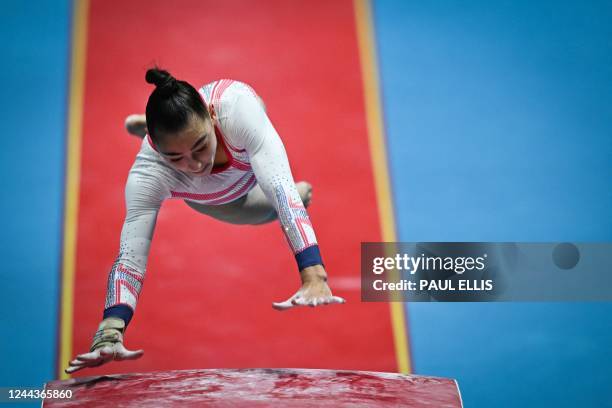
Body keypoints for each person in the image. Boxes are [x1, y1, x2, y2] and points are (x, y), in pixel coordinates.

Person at [65, 68, 345, 374]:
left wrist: (314, 275)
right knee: (269, 206)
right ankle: (158, 130)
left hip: (240, 141)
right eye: (177, 157)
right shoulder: (149, 171)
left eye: (200, 145)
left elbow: (281, 190)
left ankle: (161, 126)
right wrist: (110, 330)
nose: (196, 163)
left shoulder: (236, 110)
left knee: (292, 193)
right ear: (158, 151)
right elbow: (130, 258)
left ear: (211, 117)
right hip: (216, 199)